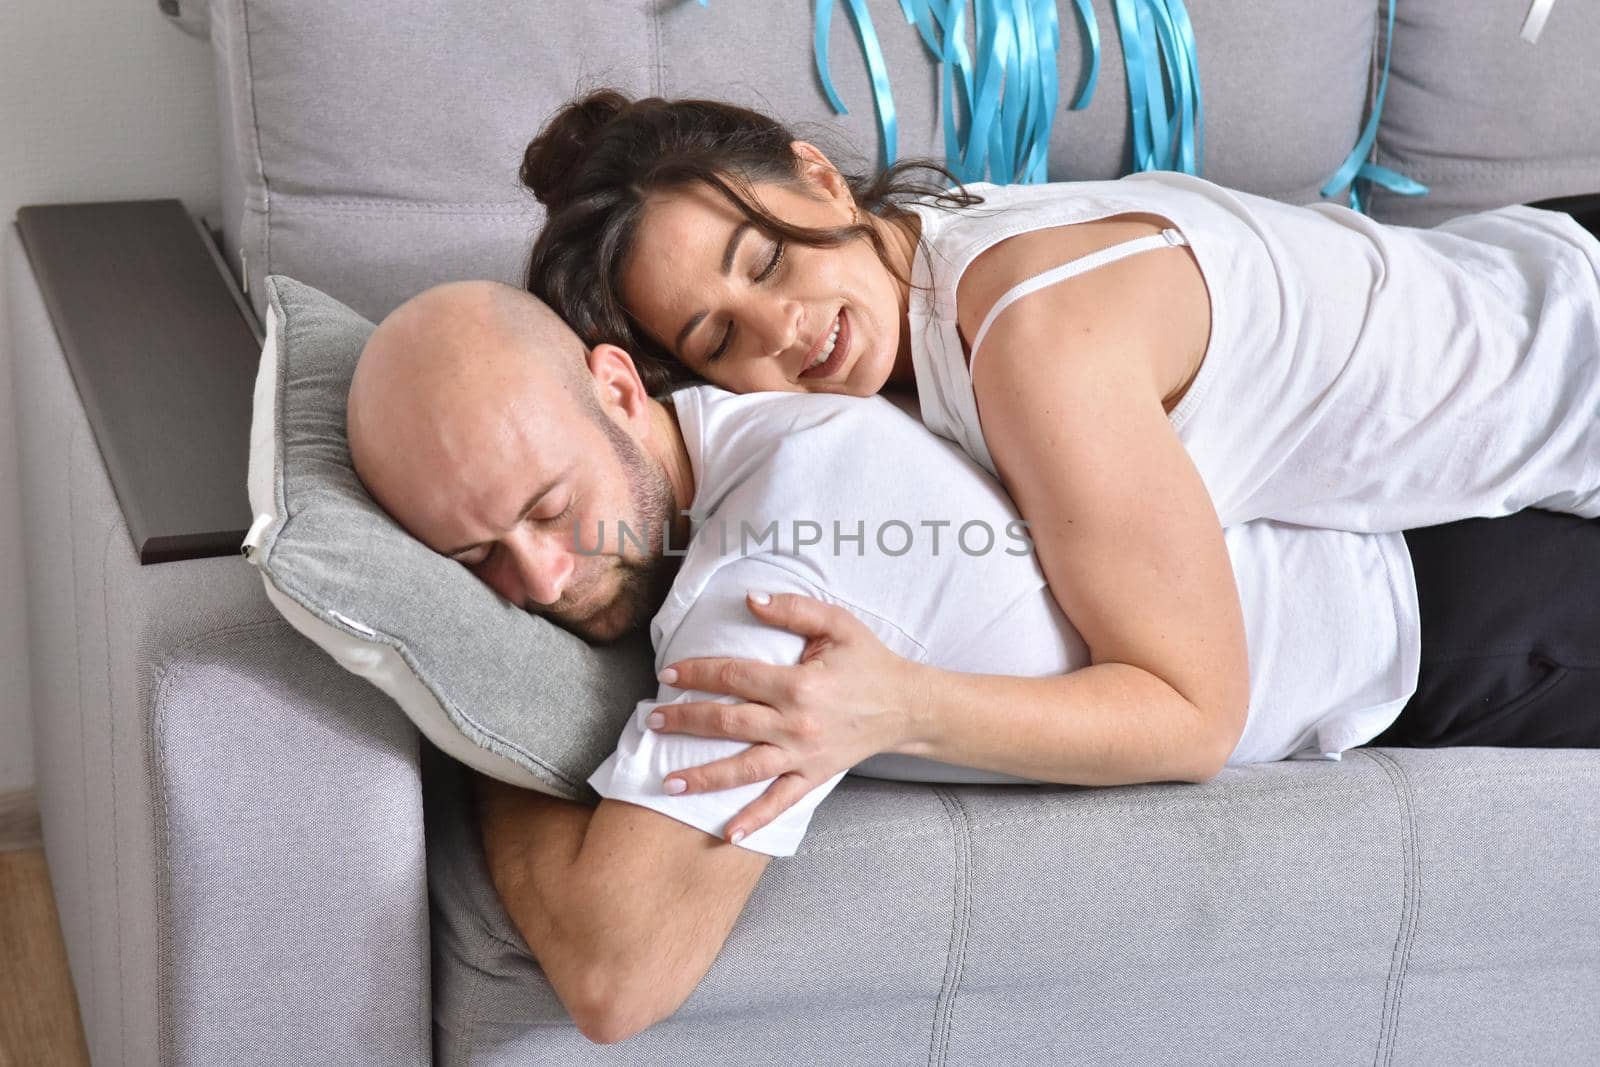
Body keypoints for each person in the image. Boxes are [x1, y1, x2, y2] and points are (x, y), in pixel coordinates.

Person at [348, 279, 1597, 1043]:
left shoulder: (771, 570)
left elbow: (618, 974)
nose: (542, 580)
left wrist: (468, 688)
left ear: (616, 386)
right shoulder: (738, 447)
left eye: (549, 506)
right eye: (475, 563)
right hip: (1393, 532)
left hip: (1452, 622)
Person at [521, 89, 1600, 839]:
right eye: (718, 339)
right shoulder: (923, 254)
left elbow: (1192, 714)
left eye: (763, 257)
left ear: (817, 176)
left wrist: (900, 705)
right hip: (1528, 261)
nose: (782, 326)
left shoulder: (1029, 339)